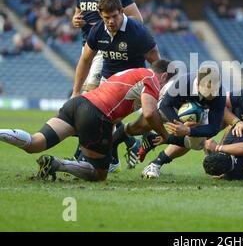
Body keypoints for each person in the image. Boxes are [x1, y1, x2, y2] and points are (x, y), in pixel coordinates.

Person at [0, 61, 174, 182]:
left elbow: (139, 121)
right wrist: (164, 135)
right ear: (165, 76)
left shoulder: (133, 72)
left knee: (35, 143)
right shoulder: (151, 79)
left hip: (77, 104)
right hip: (96, 115)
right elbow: (150, 114)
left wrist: (129, 130)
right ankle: (56, 164)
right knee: (99, 173)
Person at [71, 0, 147, 169]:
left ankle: (86, 155)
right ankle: (125, 143)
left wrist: (109, 28)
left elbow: (137, 18)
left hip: (107, 51)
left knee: (91, 104)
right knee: (103, 106)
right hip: (89, 47)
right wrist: (76, 20)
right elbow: (78, 14)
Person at [138, 65, 226, 178]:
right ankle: (127, 138)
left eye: (215, 89)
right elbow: (165, 105)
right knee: (148, 118)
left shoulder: (219, 94)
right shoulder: (183, 83)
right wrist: (179, 124)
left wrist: (188, 130)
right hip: (169, 101)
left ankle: (153, 139)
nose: (213, 94)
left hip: (194, 110)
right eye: (208, 90)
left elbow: (214, 128)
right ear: (198, 85)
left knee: (197, 144)